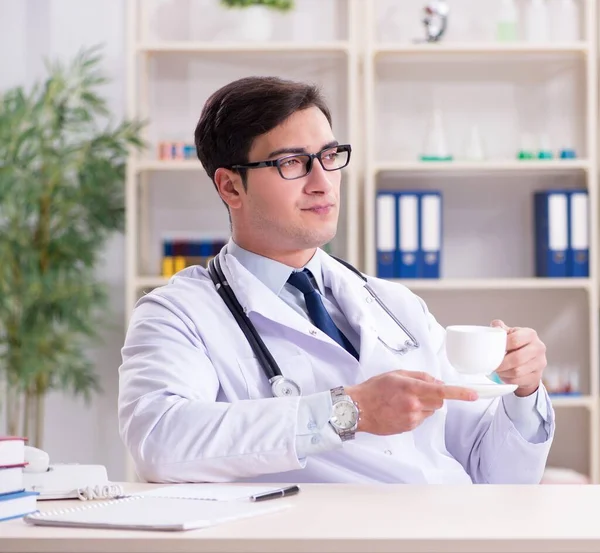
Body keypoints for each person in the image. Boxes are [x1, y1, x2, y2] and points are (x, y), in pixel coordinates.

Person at [118, 76, 554, 485]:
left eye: (329, 157)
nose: (322, 182)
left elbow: (493, 472)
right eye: (292, 162)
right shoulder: (179, 313)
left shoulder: (392, 303)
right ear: (231, 187)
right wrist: (348, 411)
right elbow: (159, 439)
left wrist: (525, 391)